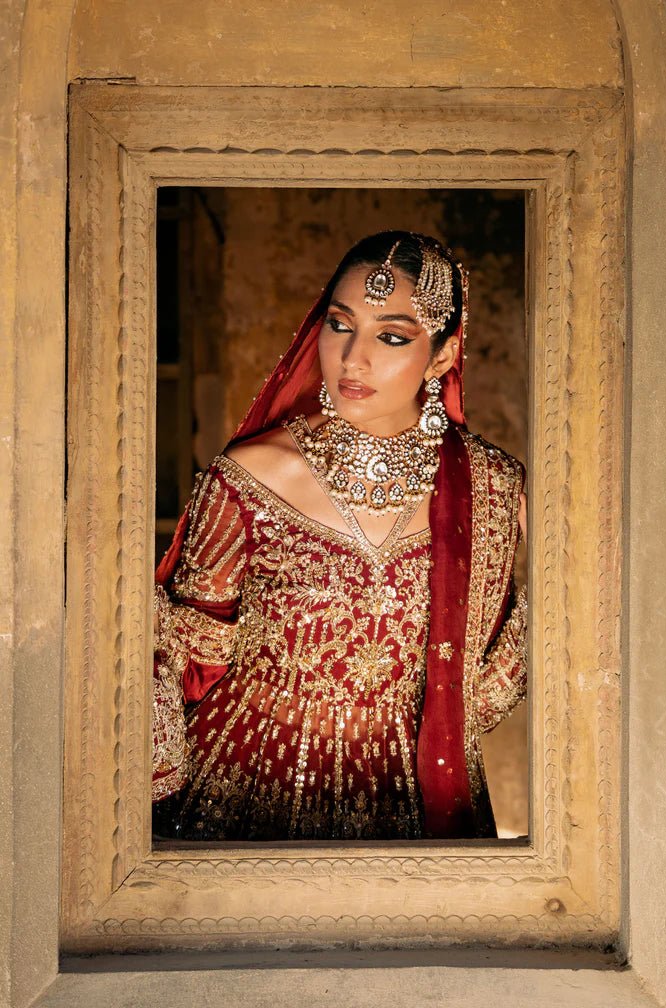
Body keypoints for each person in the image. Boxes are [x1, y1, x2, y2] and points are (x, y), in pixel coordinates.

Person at [152, 231, 527, 842]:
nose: (354, 358)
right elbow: (183, 661)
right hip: (245, 782)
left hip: (408, 798)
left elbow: (485, 687)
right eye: (339, 324)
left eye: (393, 336)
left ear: (442, 353)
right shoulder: (250, 476)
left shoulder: (489, 490)